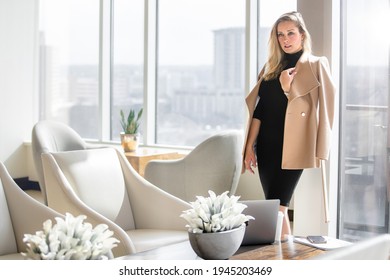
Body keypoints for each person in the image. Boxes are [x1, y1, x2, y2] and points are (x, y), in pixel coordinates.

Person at [242, 11, 335, 240]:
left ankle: (279, 255)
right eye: (280, 34)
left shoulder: (315, 65)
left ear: (302, 35)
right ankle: (285, 253)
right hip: (266, 144)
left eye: (291, 33)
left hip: (293, 144)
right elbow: (260, 111)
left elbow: (320, 109)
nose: (285, 39)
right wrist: (248, 147)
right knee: (276, 207)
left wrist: (286, 87)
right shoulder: (270, 68)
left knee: (278, 208)